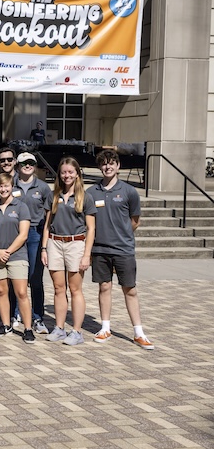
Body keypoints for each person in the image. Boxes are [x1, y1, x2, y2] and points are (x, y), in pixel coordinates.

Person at [88, 150, 154, 350]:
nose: (107, 167)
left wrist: (121, 234)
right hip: (99, 248)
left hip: (123, 248)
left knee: (130, 289)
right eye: (104, 164)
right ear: (100, 167)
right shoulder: (91, 192)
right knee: (104, 287)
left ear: (118, 166)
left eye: (111, 164)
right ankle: (105, 327)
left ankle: (138, 332)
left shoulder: (129, 191)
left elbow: (135, 221)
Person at [41, 157, 96, 346]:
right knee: (58, 288)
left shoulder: (85, 197)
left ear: (77, 174)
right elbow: (47, 225)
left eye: (70, 172)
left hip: (76, 244)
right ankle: (59, 328)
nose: (67, 175)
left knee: (75, 289)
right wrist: (44, 248)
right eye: (64, 172)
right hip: (55, 243)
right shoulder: (53, 195)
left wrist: (87, 254)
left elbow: (91, 228)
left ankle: (77, 331)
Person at [0, 173, 36, 344]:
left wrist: (8, 252)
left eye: (6, 186)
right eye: (0, 186)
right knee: (1, 291)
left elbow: (23, 235)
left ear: (12, 186)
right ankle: (6, 325)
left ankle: (28, 328)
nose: (3, 189)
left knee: (21, 292)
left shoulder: (21, 207)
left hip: (17, 256)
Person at [9, 152, 52, 335]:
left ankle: (37, 316)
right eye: (23, 163)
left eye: (31, 163)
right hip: (14, 234)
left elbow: (49, 214)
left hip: (35, 233)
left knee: (35, 278)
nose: (27, 165)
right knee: (16, 276)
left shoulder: (43, 188)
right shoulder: (10, 185)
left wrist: (45, 243)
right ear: (17, 166)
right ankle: (15, 313)